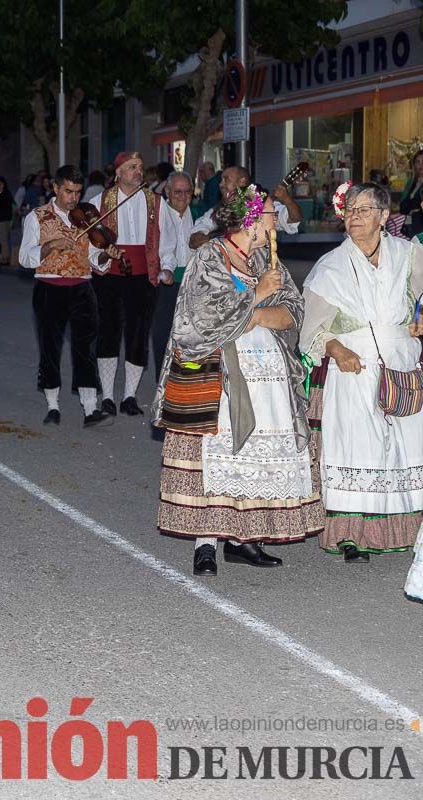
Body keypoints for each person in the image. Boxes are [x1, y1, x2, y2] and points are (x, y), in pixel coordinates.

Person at [155, 185, 322, 575]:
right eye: (268, 212)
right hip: (220, 372)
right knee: (220, 454)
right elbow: (198, 321)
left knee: (254, 457)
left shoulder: (267, 258)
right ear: (249, 219)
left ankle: (244, 539)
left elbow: (292, 312)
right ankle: (206, 543)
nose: (275, 218)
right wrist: (257, 299)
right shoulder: (209, 257)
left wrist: (259, 314)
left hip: (267, 370)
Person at [302, 182, 423, 564]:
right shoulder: (330, 267)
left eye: (364, 210)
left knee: (405, 449)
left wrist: (420, 319)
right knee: (356, 448)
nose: (353, 217)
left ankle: (408, 529)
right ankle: (351, 536)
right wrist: (336, 349)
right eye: (350, 210)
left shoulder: (409, 255)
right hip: (353, 369)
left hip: (401, 365)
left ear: (384, 217)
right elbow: (312, 329)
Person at [18, 165, 110, 428]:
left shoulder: (87, 217)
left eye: (77, 192)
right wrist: (50, 245)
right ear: (55, 188)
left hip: (83, 287)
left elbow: (94, 257)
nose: (73, 198)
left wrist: (105, 255)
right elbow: (24, 258)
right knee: (50, 347)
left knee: (86, 348)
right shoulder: (37, 216)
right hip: (49, 287)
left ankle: (91, 408)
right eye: (68, 191)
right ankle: (53, 406)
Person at [89, 151, 163, 417]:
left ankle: (129, 396)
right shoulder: (99, 201)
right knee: (108, 332)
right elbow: (89, 243)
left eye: (140, 167)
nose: (138, 171)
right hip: (110, 276)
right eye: (132, 167)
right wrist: (102, 256)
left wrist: (163, 266)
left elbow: (164, 239)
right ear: (118, 172)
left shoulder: (155, 202)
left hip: (143, 277)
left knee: (138, 334)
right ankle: (108, 396)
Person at [188, 165, 301, 250]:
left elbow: (293, 218)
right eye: (221, 180)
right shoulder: (217, 211)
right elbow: (193, 240)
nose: (220, 184)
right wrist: (222, 239)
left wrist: (286, 198)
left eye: (226, 179)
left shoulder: (265, 207)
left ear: (242, 181)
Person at [152, 171, 196, 372]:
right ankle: (163, 379)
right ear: (167, 192)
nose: (182, 195)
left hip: (193, 282)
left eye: (187, 191)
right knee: (162, 331)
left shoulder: (198, 214)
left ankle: (187, 378)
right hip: (165, 282)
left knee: (190, 333)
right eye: (177, 191)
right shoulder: (156, 216)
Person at [399, 149, 423, 237]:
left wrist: (418, 211)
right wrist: (415, 189)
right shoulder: (411, 182)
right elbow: (403, 208)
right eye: (418, 162)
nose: (421, 165)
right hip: (411, 225)